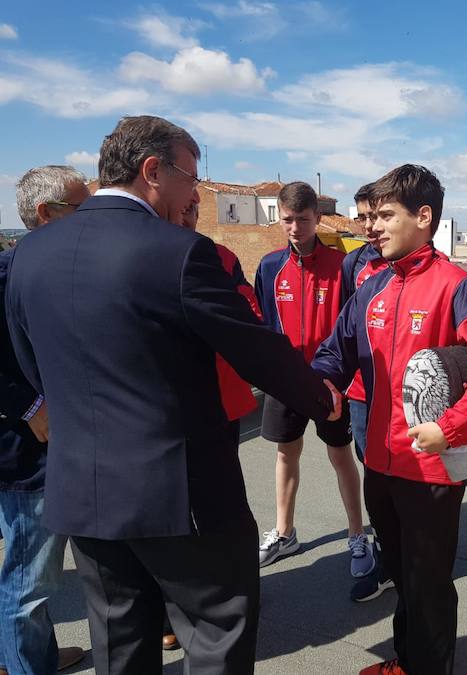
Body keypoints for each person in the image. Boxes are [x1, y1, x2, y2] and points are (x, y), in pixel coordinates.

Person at [4, 115, 339, 675]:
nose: (197, 195)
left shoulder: (29, 254)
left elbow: (27, 358)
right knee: (215, 639)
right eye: (192, 180)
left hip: (82, 493)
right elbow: (253, 346)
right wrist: (320, 396)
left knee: (120, 646)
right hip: (180, 497)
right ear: (152, 170)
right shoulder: (178, 251)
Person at [311, 164, 467, 675]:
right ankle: (407, 662)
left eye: (386, 216)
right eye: (372, 216)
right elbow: (334, 352)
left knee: (427, 585)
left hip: (429, 470)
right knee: (403, 576)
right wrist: (324, 385)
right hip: (379, 464)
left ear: (423, 217)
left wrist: (450, 429)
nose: (372, 226)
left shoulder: (456, 287)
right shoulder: (372, 287)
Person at [157, 199, 264, 652]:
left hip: (218, 405)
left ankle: (232, 594)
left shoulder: (221, 258)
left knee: (222, 509)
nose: (188, 215)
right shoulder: (146, 256)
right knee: (168, 517)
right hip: (163, 415)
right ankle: (173, 610)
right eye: (181, 209)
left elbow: (250, 317)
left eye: (194, 209)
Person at [254, 181, 374, 576]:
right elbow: (266, 326)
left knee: (340, 456)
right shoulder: (270, 267)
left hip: (329, 383)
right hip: (286, 381)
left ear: (317, 218)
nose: (294, 228)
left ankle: (357, 534)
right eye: (287, 220)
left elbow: (350, 327)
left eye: (302, 220)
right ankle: (285, 532)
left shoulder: (341, 266)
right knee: (286, 453)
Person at [0, 166, 89, 675]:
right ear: (45, 215)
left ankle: (35, 655)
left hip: (53, 444)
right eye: (82, 209)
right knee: (29, 577)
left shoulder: (51, 270)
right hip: (25, 452)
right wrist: (31, 408)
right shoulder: (9, 275)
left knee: (37, 574)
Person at [342, 183, 395, 603]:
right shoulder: (353, 264)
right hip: (361, 394)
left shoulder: (430, 268)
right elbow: (346, 329)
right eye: (362, 217)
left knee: (407, 478)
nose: (369, 225)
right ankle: (385, 558)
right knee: (373, 474)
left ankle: (413, 556)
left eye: (376, 216)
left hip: (403, 395)